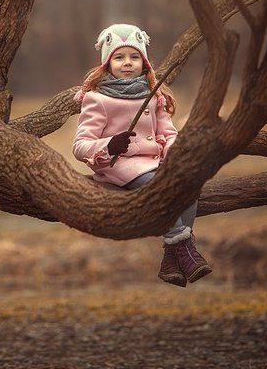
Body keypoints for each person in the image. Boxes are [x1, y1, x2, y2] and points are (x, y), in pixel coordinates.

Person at [72, 23, 211, 287]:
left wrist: (173, 155)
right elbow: (80, 145)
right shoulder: (97, 99)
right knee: (159, 187)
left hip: (154, 162)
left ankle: (171, 260)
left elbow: (169, 133)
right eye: (119, 57)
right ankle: (184, 248)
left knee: (189, 184)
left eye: (134, 57)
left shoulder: (154, 95)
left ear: (144, 63)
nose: (127, 62)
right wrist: (110, 145)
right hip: (122, 166)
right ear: (107, 64)